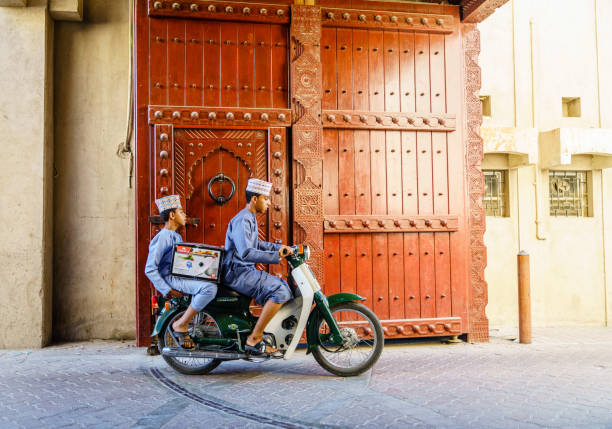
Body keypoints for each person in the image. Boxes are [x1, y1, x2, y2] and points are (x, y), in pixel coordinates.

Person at [222, 178, 294, 355]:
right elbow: (247, 252)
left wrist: (280, 248)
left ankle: (261, 329)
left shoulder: (250, 217)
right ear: (255, 199)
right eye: (266, 198)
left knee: (283, 286)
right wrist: (277, 256)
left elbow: (257, 244)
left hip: (244, 271)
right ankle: (254, 338)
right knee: (280, 291)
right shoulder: (243, 219)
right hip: (237, 272)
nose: (269, 202)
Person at [145, 195, 218, 348]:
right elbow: (150, 268)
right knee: (209, 288)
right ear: (172, 215)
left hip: (180, 276)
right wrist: (167, 289)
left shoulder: (176, 236)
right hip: (172, 279)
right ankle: (182, 324)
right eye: (181, 212)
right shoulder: (163, 237)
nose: (185, 216)